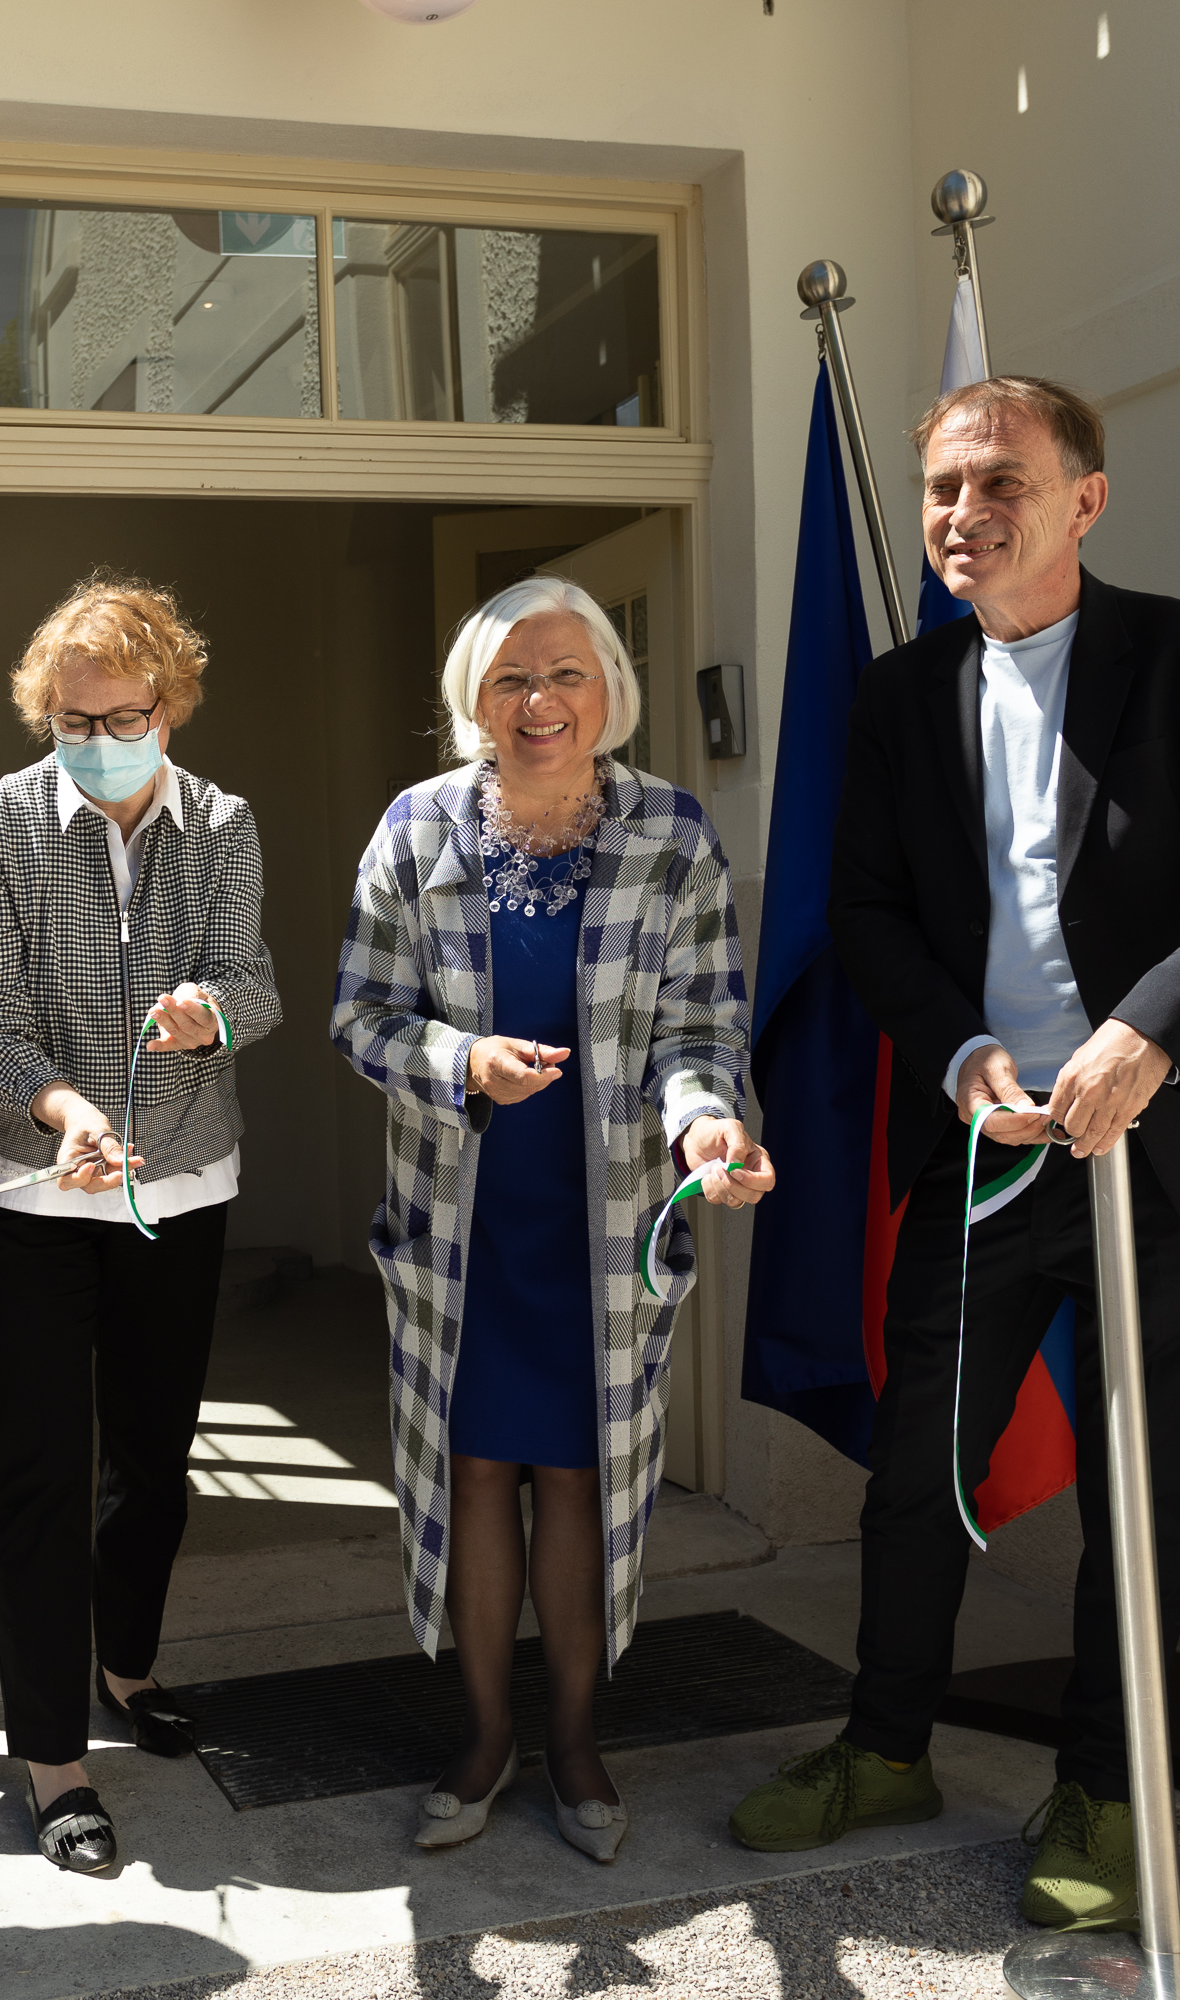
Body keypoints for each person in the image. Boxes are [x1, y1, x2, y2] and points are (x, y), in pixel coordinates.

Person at [727, 376, 1180, 1928]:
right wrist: (956, 1051)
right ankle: (886, 1745)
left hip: (1170, 1142)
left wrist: (1153, 1034)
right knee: (917, 1465)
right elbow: (863, 911)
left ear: (1086, 499)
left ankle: (1105, 1784)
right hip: (989, 1147)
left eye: (1000, 482)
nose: (961, 513)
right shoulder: (897, 697)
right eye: (941, 487)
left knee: (1143, 1489)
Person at [333, 575, 769, 1866]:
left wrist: (705, 1125)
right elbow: (363, 1020)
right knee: (473, 1482)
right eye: (515, 678)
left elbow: (702, 1028)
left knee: (580, 1484)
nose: (541, 703)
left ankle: (577, 1742)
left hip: (605, 1228)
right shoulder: (414, 831)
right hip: (463, 1227)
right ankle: (481, 1739)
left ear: (610, 692)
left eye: (567, 675)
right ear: (477, 696)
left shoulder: (673, 834)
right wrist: (459, 1063)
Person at [0, 573, 279, 1875]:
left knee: (152, 1456)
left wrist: (215, 1013)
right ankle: (54, 1763)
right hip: (24, 1188)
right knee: (38, 1475)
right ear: (46, 715)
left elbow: (256, 983)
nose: (98, 740)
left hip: (177, 1184)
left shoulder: (225, 827)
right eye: (73, 720)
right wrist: (65, 1112)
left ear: (171, 707)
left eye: (124, 715)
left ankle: (126, 1667)